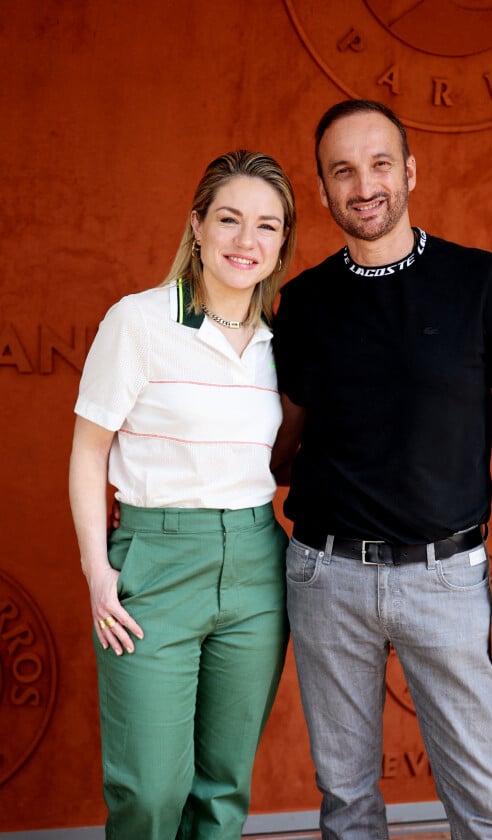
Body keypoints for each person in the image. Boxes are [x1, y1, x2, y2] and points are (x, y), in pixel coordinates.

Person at [271, 100, 492, 839]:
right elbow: (278, 444)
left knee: (484, 806)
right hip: (324, 578)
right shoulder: (300, 304)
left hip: (447, 578)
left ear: (410, 172)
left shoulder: (477, 281)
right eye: (343, 171)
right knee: (347, 805)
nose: (363, 185)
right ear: (325, 188)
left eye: (379, 164)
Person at [69, 149, 297, 840]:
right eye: (228, 219)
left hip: (258, 565)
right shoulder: (138, 322)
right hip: (156, 562)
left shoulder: (281, 342)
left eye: (266, 226)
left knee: (223, 789)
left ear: (282, 242)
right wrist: (98, 573)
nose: (245, 241)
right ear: (196, 225)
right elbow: (88, 452)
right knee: (150, 791)